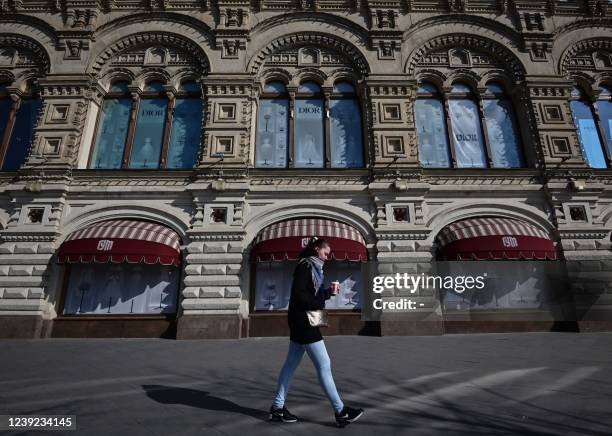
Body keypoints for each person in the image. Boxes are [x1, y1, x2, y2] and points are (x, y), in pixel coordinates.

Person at [269, 236, 364, 428]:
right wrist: (321, 300)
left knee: (290, 365)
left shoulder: (313, 268)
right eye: (325, 253)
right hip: (304, 322)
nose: (327, 257)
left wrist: (327, 293)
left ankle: (277, 408)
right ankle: (341, 411)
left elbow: (309, 294)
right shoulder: (306, 266)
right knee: (324, 364)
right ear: (316, 249)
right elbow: (300, 295)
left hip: (301, 321)